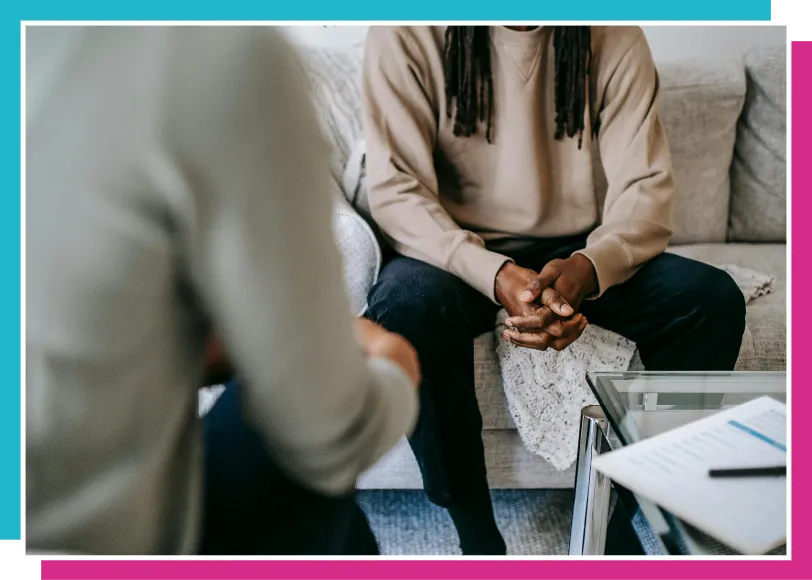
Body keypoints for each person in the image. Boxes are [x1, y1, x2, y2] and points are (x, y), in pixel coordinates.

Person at [26, 26, 420, 556]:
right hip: (89, 544)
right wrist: (394, 362)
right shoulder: (214, 55)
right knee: (301, 464)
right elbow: (329, 434)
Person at [361, 25, 746, 555]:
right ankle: (477, 540)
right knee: (405, 306)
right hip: (453, 250)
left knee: (710, 300)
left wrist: (589, 268)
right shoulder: (405, 31)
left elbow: (645, 189)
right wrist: (495, 273)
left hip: (574, 251)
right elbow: (396, 189)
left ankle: (613, 520)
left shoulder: (612, 34)